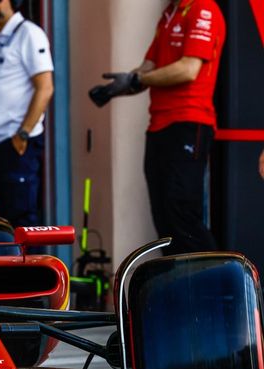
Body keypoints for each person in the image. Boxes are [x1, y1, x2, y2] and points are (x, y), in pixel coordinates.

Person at [88, 0, 225, 255]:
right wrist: (117, 88)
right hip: (159, 126)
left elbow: (188, 69)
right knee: (164, 219)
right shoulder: (169, 14)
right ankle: (175, 279)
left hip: (189, 122)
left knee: (183, 213)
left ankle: (221, 279)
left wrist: (137, 79)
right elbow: (148, 68)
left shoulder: (202, 8)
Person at [0, 0, 53, 229]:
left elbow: (45, 88)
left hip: (17, 143)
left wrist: (23, 135)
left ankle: (34, 257)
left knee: (23, 220)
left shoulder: (29, 33)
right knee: (4, 222)